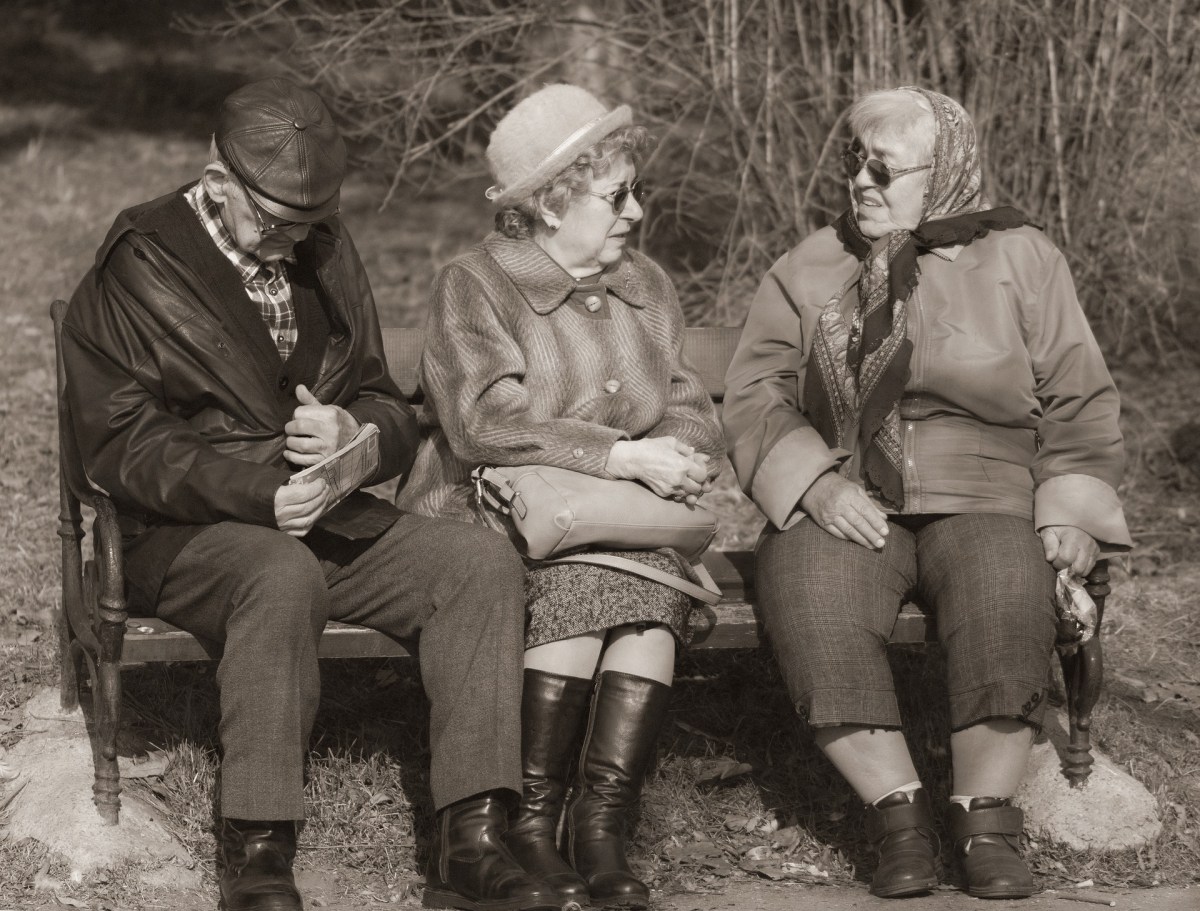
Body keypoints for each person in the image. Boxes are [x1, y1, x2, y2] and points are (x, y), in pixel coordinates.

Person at [61, 77, 560, 911]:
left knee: (475, 563)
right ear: (217, 184)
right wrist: (257, 491)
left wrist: (356, 442)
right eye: (275, 222)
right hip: (184, 534)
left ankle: (470, 838)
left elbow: (385, 400)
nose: (293, 240)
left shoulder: (322, 245)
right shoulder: (138, 262)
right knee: (278, 574)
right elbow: (118, 445)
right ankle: (260, 848)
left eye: (309, 222)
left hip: (327, 514)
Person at [722, 87, 1131, 900]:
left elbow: (1081, 397)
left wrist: (1074, 515)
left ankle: (984, 817)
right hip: (846, 491)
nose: (861, 183)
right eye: (854, 163)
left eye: (884, 168)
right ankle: (897, 816)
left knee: (1008, 590)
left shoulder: (1022, 259)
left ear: (944, 174)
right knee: (811, 591)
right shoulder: (809, 265)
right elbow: (756, 391)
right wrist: (811, 483)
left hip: (983, 491)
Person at [398, 84, 725, 909]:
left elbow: (688, 404)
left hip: (615, 520)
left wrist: (682, 455)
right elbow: (480, 424)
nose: (637, 211)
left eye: (633, 190)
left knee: (647, 604)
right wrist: (622, 455)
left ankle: (601, 828)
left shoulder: (645, 284)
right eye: (617, 195)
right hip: (496, 512)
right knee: (593, 589)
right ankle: (534, 829)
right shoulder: (474, 284)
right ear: (549, 204)